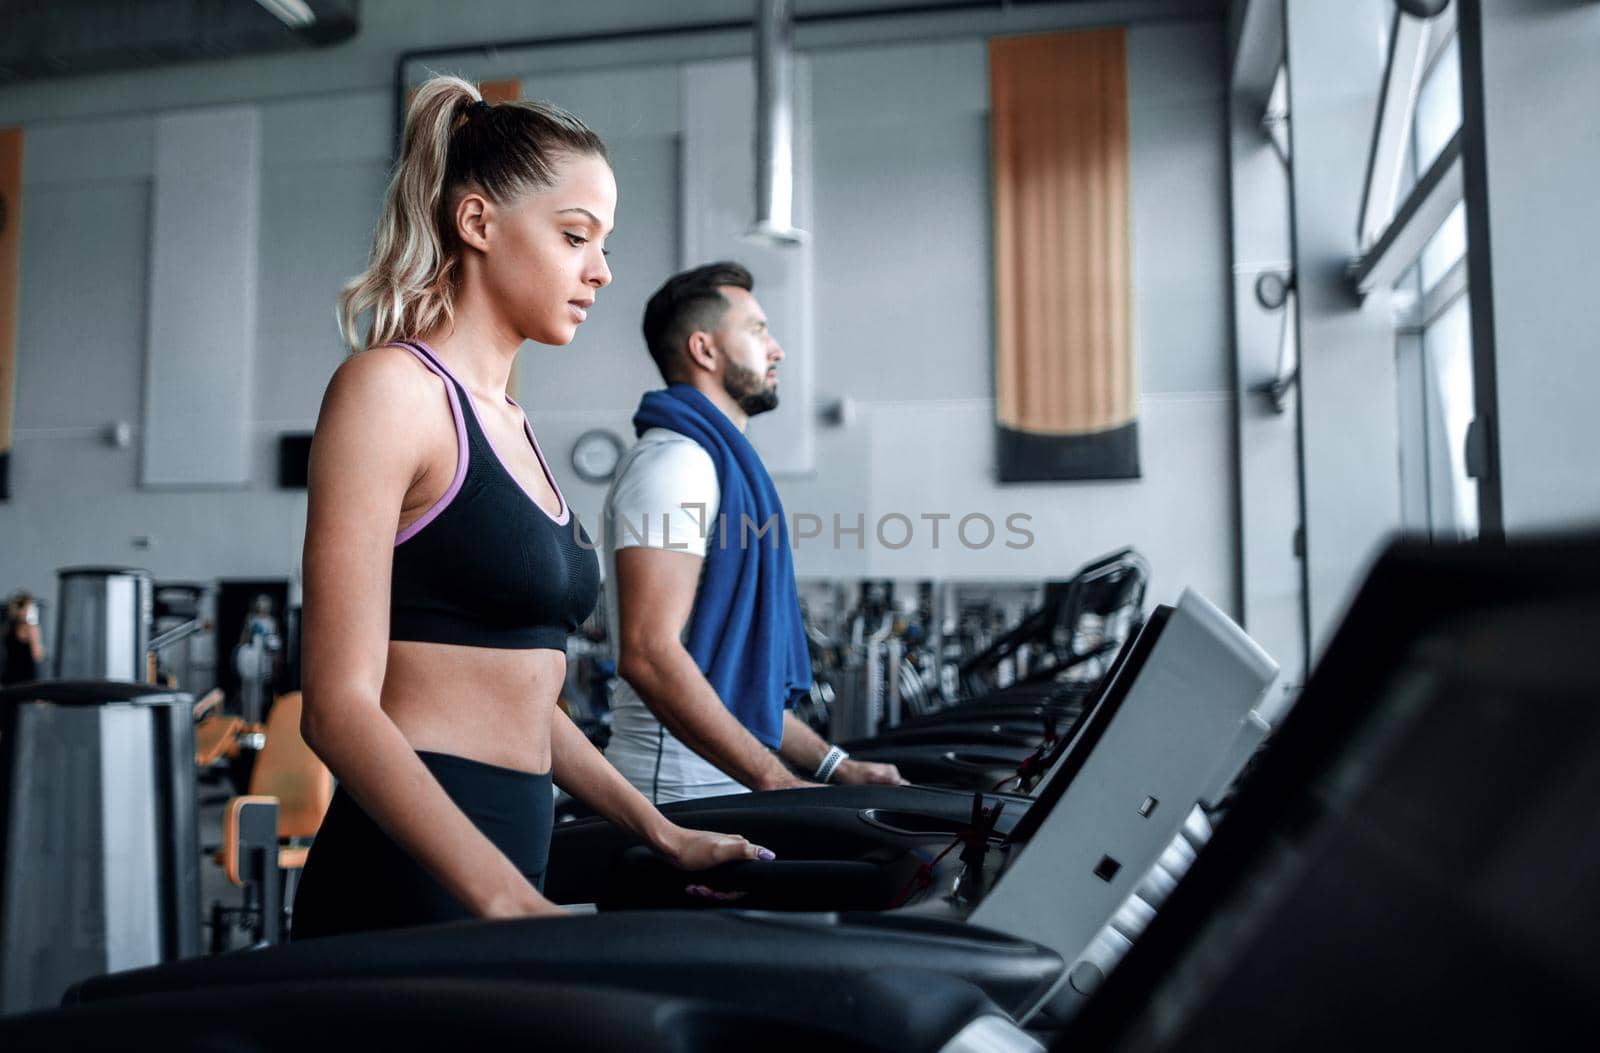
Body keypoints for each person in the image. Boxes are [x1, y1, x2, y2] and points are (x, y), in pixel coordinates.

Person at [291, 77, 771, 940]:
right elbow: (337, 705)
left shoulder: (508, 417)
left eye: (605, 244)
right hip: (416, 866)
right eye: (575, 236)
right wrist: (503, 898)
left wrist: (659, 830)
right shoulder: (390, 393)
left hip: (517, 848)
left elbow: (523, 697)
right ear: (477, 223)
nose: (601, 271)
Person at [602, 262, 907, 802]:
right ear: (705, 350)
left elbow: (737, 688)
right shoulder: (674, 465)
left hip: (723, 784)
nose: (777, 349)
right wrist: (780, 785)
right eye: (757, 330)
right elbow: (649, 654)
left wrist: (835, 766)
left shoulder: (714, 465)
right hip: (675, 795)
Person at [2, 590, 45, 686]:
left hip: (9, 676)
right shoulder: (32, 629)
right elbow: (37, 655)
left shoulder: (7, 628)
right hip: (26, 678)